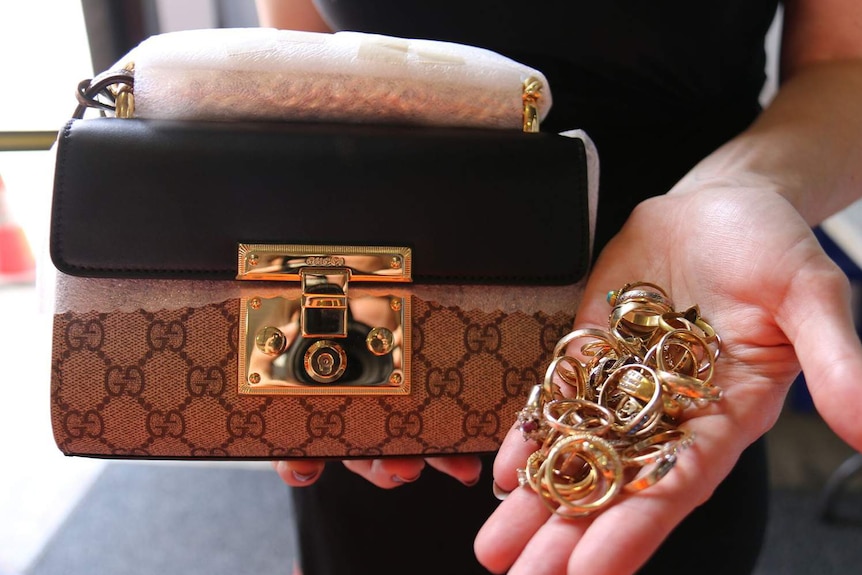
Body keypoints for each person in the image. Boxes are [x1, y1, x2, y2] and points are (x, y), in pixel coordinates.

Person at [256, 1, 862, 573]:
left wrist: (743, 187)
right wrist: (301, 287)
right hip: (386, 343)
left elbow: (844, 68)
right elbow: (300, 69)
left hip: (680, 347)